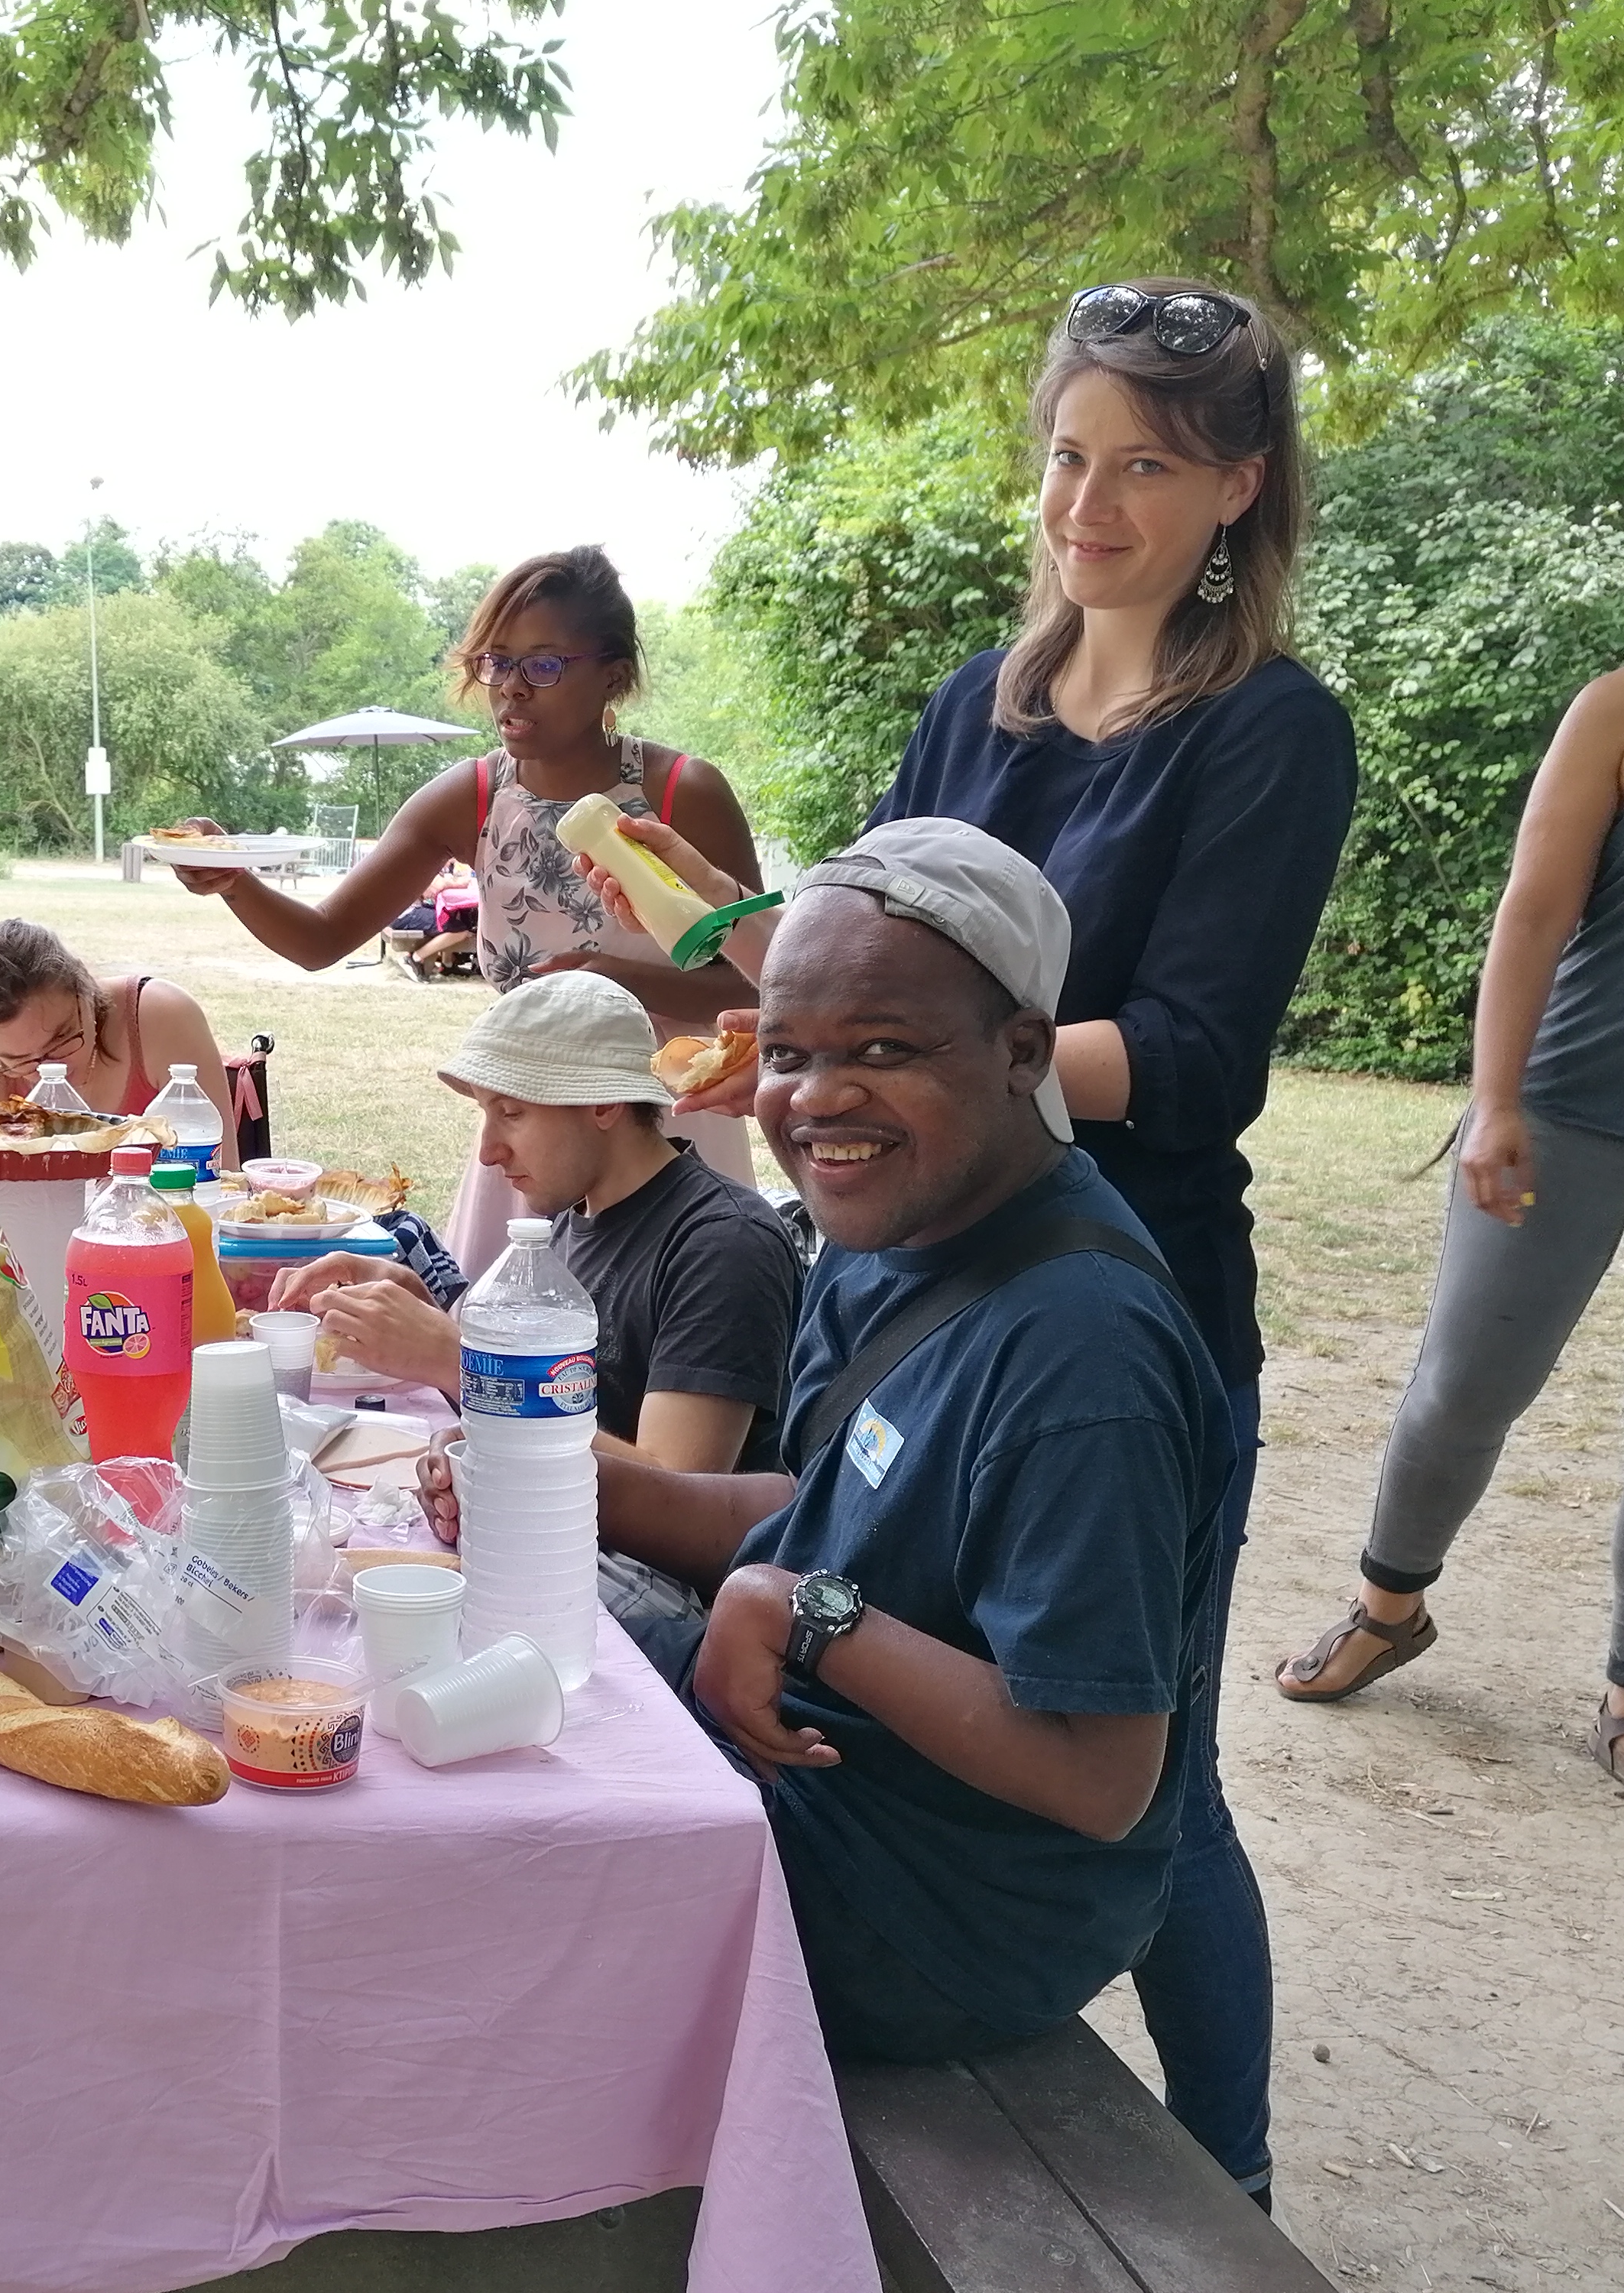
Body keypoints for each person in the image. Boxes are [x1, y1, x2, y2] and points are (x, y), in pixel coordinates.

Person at [578, 279, 1348, 2201]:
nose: (1086, 502)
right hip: (919, 1245)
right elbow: (876, 938)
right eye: (1067, 457)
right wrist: (779, 992)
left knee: (1150, 1779)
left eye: (1143, 465)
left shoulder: (1264, 730)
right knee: (852, 1600)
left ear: (1236, 488)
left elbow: (1189, 1058)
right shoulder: (977, 703)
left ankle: (1225, 2180)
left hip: (1108, 1282)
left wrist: (893, 1065)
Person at [476, 821, 1227, 2067]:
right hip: (819, 1753)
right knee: (454, 1678)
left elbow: (1100, 1776)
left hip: (933, 1910)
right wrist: (556, 1476)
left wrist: (807, 1612)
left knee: (469, 1860)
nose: (817, 1098)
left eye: (883, 1049)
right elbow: (837, 1503)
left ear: (1022, 1051)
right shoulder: (894, 1232)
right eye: (787, 1052)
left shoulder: (1081, 1353)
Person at [1276, 439, 1624, 1835]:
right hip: (1568, 1115)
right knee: (1464, 1390)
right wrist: (1493, 1102)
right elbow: (1535, 914)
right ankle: (1388, 1609)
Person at [162, 546, 768, 1272]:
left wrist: (614, 980)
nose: (511, 687)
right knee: (505, 1332)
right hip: (528, 1135)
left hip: (673, 1126)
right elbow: (321, 939)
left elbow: (763, 981)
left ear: (613, 675)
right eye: (495, 662)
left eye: (544, 664)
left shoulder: (682, 794)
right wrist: (234, 881)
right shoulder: (473, 797)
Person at [277, 970, 799, 1644]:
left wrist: (462, 1365)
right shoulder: (568, 1220)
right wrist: (415, 1302)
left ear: (604, 1103)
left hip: (665, 1615)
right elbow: (540, 1390)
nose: (489, 1150)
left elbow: (682, 1497)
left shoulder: (722, 1243)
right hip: (549, 1550)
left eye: (512, 1112)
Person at [0, 916, 238, 1163]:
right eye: (19, 1061)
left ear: (85, 987)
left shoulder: (162, 1015)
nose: (50, 1070)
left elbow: (225, 1177)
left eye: (62, 1038)